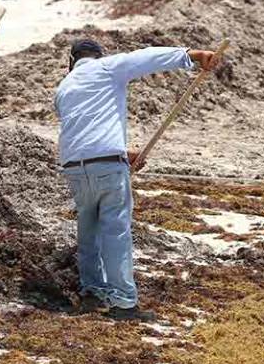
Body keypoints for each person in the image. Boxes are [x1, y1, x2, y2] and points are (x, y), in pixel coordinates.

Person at [55, 39, 222, 321]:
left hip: (74, 166)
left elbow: (81, 126)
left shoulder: (63, 87)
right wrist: (191, 56)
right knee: (116, 231)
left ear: (72, 61)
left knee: (88, 230)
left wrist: (123, 154)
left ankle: (92, 293)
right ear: (97, 56)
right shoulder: (106, 68)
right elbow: (145, 58)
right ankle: (122, 302)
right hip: (107, 165)